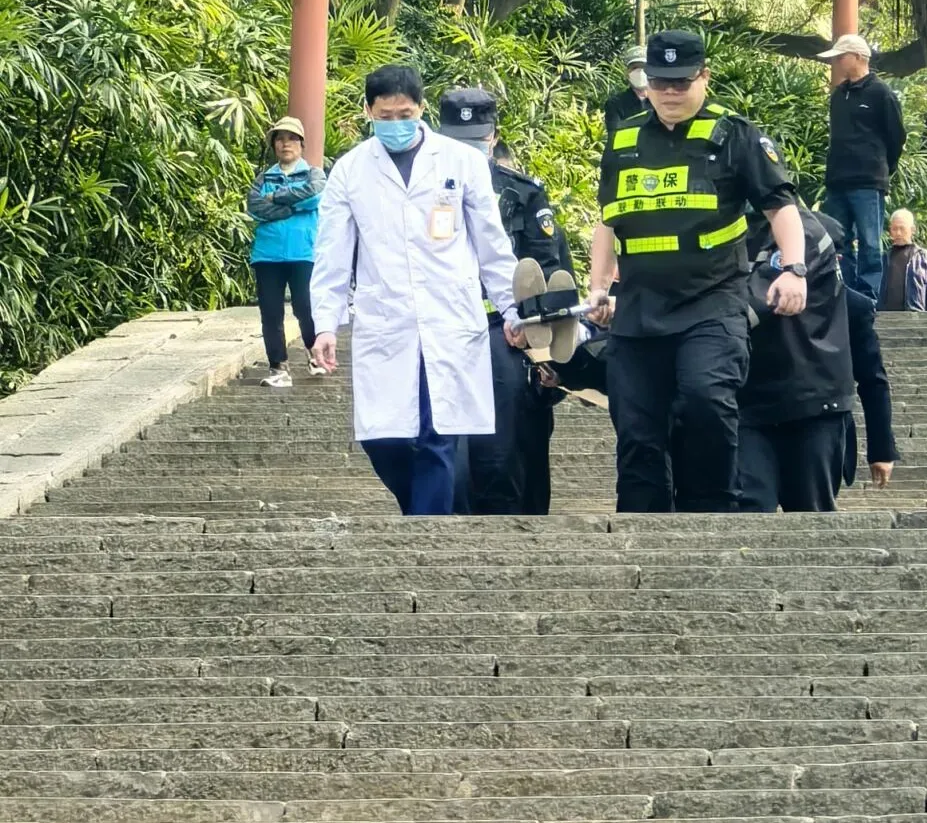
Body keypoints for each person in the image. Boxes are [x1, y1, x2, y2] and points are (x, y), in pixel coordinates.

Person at [588, 28, 807, 514]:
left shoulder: (735, 135)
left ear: (704, 77)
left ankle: (709, 514)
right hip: (639, 309)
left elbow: (780, 206)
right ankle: (641, 526)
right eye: (659, 81)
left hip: (712, 303)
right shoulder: (623, 139)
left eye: (681, 82)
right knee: (636, 429)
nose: (669, 92)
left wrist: (794, 269)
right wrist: (599, 286)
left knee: (706, 398)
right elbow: (608, 220)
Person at [309, 65, 524, 516]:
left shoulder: (462, 162)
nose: (395, 124)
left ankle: (427, 532)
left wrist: (512, 309)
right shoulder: (350, 170)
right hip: (386, 321)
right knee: (381, 439)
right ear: (368, 111)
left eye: (404, 114)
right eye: (385, 116)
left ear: (421, 108)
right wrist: (325, 324)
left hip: (449, 318)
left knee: (436, 436)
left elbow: (492, 243)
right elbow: (332, 253)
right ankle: (424, 512)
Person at [439, 86, 570, 515]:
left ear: (493, 137)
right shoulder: (419, 192)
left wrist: (543, 342)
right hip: (440, 329)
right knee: (446, 455)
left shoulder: (522, 193)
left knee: (507, 447)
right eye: (457, 141)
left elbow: (547, 267)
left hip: (505, 332)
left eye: (477, 139)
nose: (468, 150)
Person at [737, 207, 855, 513]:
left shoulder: (804, 232)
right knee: (747, 511)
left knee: (810, 514)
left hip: (811, 401)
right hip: (749, 401)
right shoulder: (732, 228)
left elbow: (752, 302)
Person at [818, 32, 906, 301]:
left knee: (869, 242)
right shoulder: (838, 95)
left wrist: (883, 168)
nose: (836, 62)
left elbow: (896, 136)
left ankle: (867, 298)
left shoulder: (881, 93)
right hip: (837, 181)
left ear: (857, 57)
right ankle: (843, 294)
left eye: (840, 57)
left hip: (868, 181)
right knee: (838, 239)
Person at [247, 115, 326, 389]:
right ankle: (278, 368)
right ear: (274, 145)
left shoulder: (314, 174)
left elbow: (315, 196)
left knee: (306, 307)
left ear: (301, 144)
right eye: (280, 139)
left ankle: (314, 354)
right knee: (271, 314)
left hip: (303, 252)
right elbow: (255, 207)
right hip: (267, 254)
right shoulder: (263, 178)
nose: (285, 143)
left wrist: (277, 198)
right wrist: (292, 206)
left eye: (292, 138)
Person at [843, 281, 898, 490]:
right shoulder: (754, 294)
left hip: (819, 428)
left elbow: (873, 380)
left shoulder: (851, 305)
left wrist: (881, 449)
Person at [878, 207, 927, 312]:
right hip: (885, 317)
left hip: (915, 317)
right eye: (894, 229)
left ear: (912, 230)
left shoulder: (926, 258)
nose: (898, 233)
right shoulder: (883, 258)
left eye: (902, 228)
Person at [604, 45, 650, 132]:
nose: (640, 72)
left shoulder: (662, 101)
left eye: (644, 67)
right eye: (635, 68)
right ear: (627, 73)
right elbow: (613, 134)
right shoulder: (615, 104)